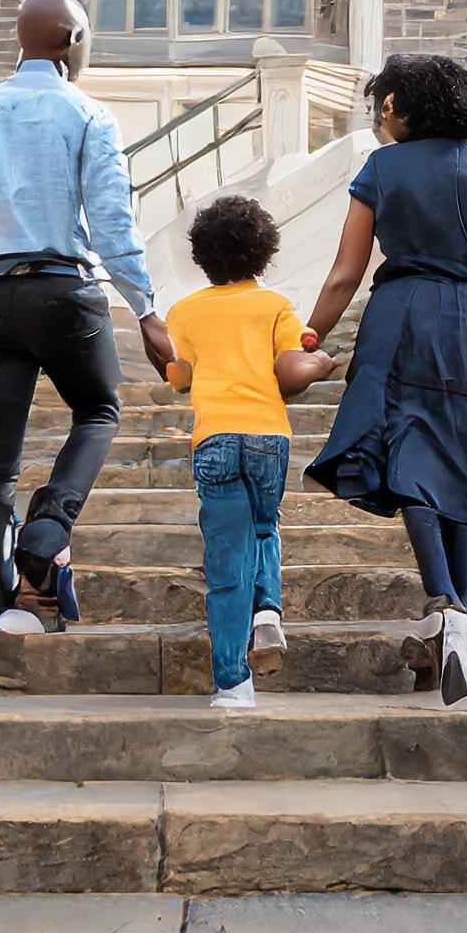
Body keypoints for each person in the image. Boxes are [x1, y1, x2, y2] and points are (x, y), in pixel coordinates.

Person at [301, 54, 467, 707]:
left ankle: (444, 602)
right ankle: (456, 628)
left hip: (403, 318)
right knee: (466, 470)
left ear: (400, 105)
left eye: (383, 103)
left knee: (410, 458)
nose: (379, 113)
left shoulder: (382, 168)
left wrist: (306, 337)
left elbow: (345, 274)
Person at [0, 0, 174, 640]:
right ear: (73, 42)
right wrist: (146, 309)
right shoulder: (86, 113)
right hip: (63, 291)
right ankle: (48, 528)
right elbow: (112, 222)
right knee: (98, 409)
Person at [164, 195, 340, 709]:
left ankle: (233, 683)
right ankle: (267, 610)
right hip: (267, 436)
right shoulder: (276, 307)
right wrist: (324, 362)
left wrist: (179, 366)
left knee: (226, 560)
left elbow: (179, 378)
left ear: (202, 256)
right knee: (264, 526)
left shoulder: (183, 312)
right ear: (264, 252)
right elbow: (294, 362)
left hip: (215, 439)